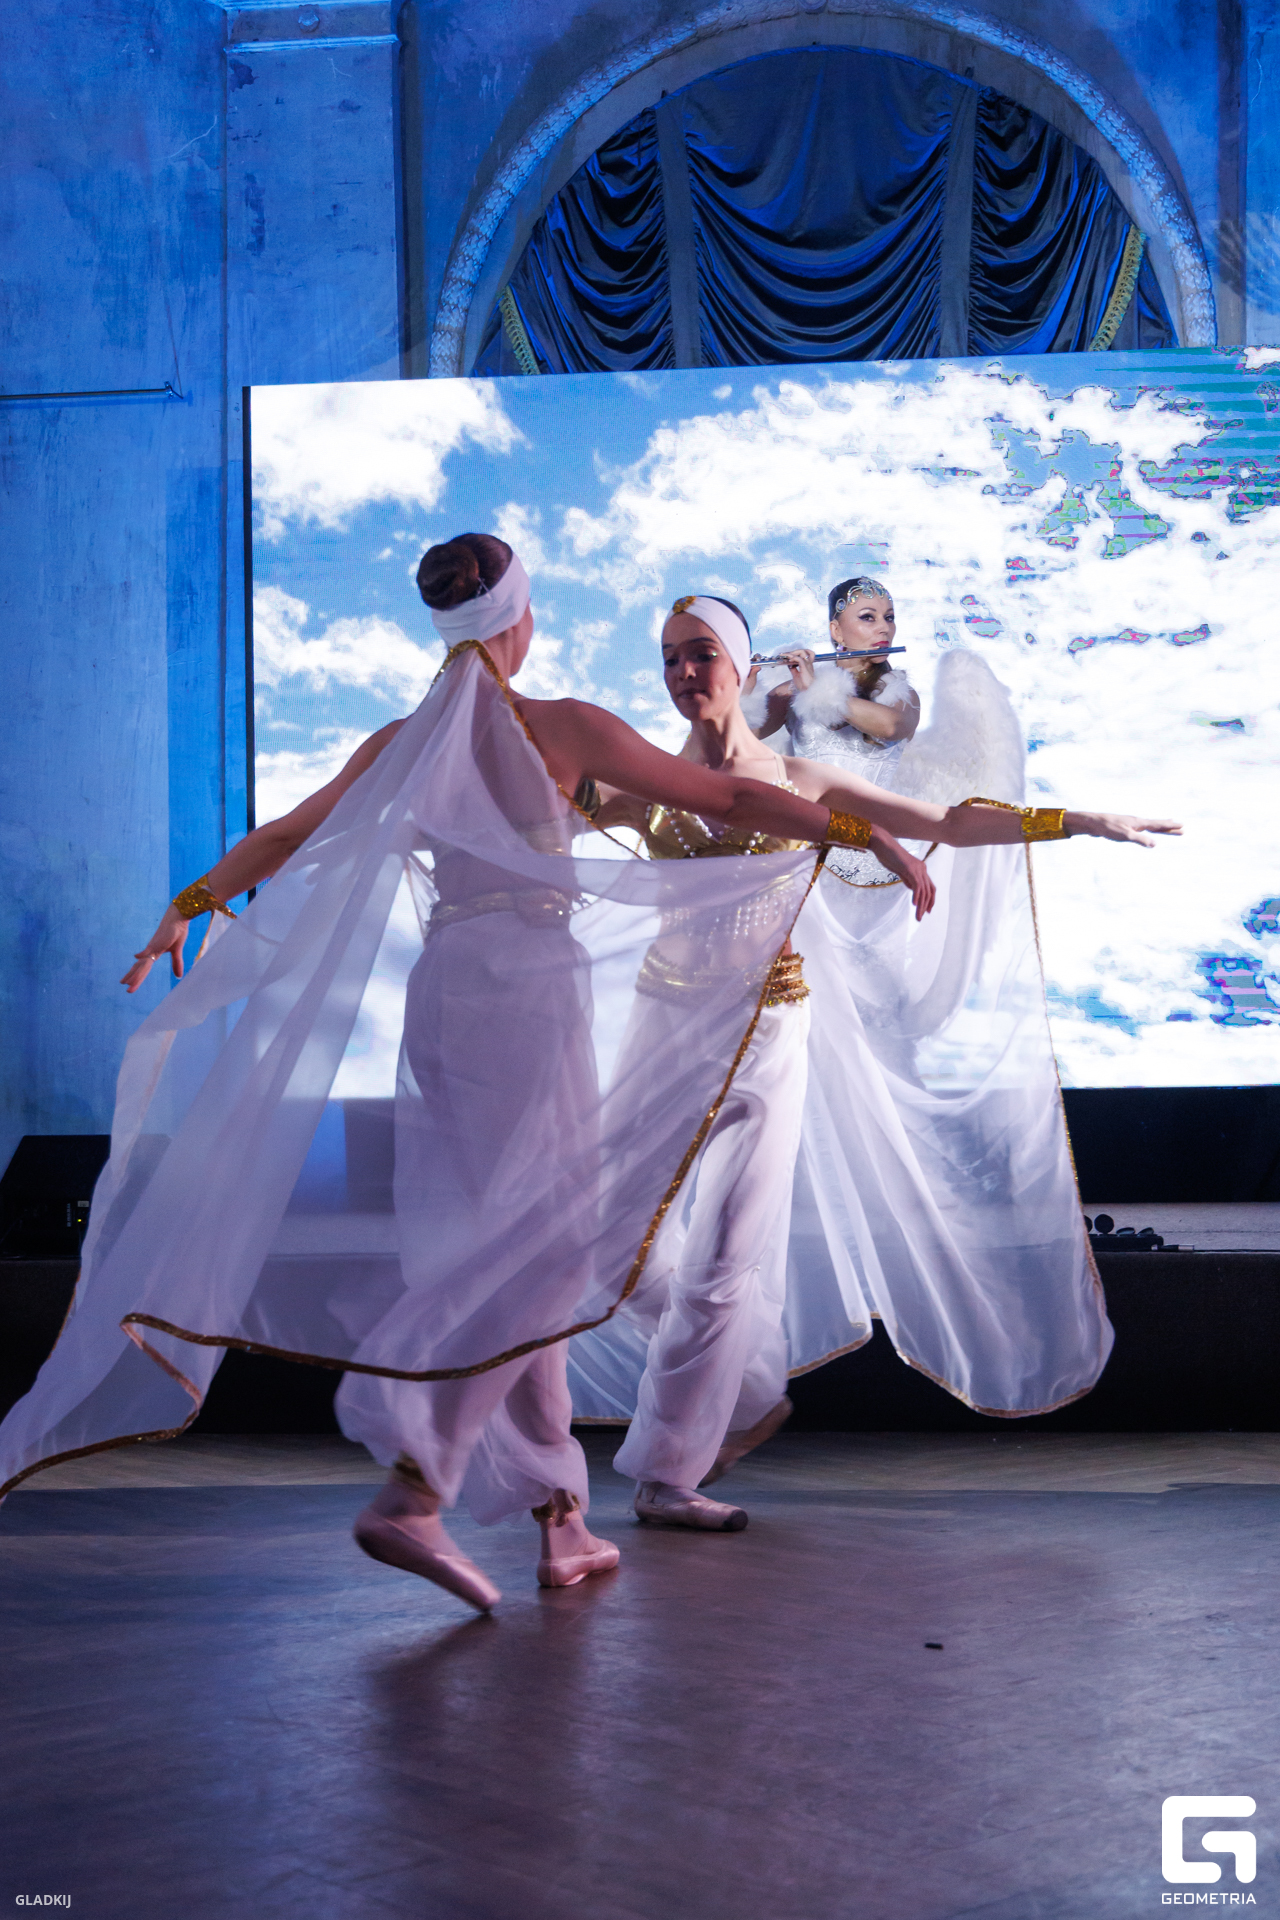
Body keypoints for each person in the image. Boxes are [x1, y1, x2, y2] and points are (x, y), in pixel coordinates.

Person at [0, 537, 884, 1615]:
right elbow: (731, 802)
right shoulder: (561, 726)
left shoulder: (403, 742)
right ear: (518, 620)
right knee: (548, 1251)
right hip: (528, 989)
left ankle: (561, 1520)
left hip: (444, 993)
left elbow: (283, 836)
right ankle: (418, 1486)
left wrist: (186, 907)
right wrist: (863, 835)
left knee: (500, 1237)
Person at [569, 593, 1181, 1530]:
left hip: (770, 1030)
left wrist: (1079, 820)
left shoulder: (803, 779)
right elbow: (530, 816)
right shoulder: (642, 780)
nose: (684, 673)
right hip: (665, 1024)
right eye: (670, 659)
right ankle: (749, 1383)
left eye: (701, 654)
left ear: (742, 665)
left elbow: (949, 819)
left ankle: (668, 1476)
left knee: (726, 1258)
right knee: (612, 1243)